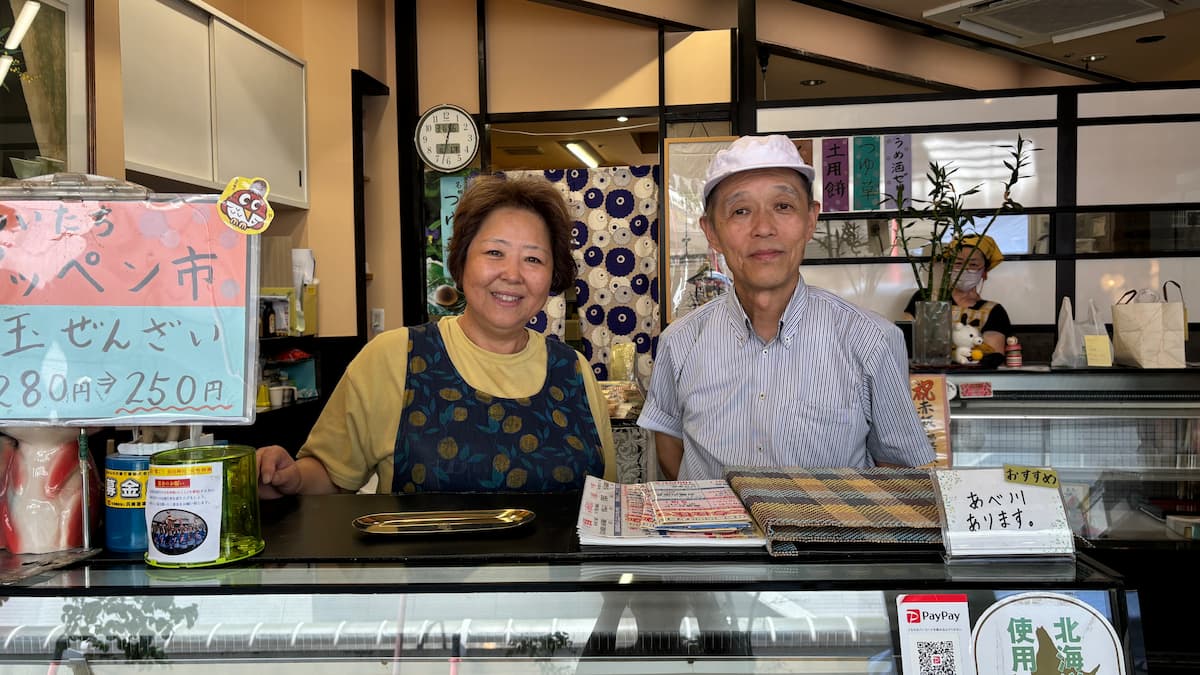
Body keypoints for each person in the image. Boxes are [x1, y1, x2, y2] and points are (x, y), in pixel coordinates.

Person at [257, 175, 616, 497]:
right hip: (425, 573)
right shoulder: (395, 356)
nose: (512, 274)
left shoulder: (573, 371)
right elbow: (331, 475)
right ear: (460, 263)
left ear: (552, 276)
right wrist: (290, 479)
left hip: (560, 574)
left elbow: (606, 498)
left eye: (534, 259)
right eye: (494, 252)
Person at [638, 134, 932, 481]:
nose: (763, 228)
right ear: (712, 232)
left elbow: (898, 470)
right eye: (741, 211)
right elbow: (670, 446)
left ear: (810, 220)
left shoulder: (871, 340)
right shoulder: (680, 342)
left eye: (783, 206)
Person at [902, 234, 1012, 362]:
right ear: (948, 267)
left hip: (972, 379)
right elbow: (904, 342)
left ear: (984, 272)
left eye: (973, 264)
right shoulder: (924, 297)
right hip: (927, 377)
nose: (965, 269)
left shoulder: (994, 312)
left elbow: (992, 356)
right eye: (958, 263)